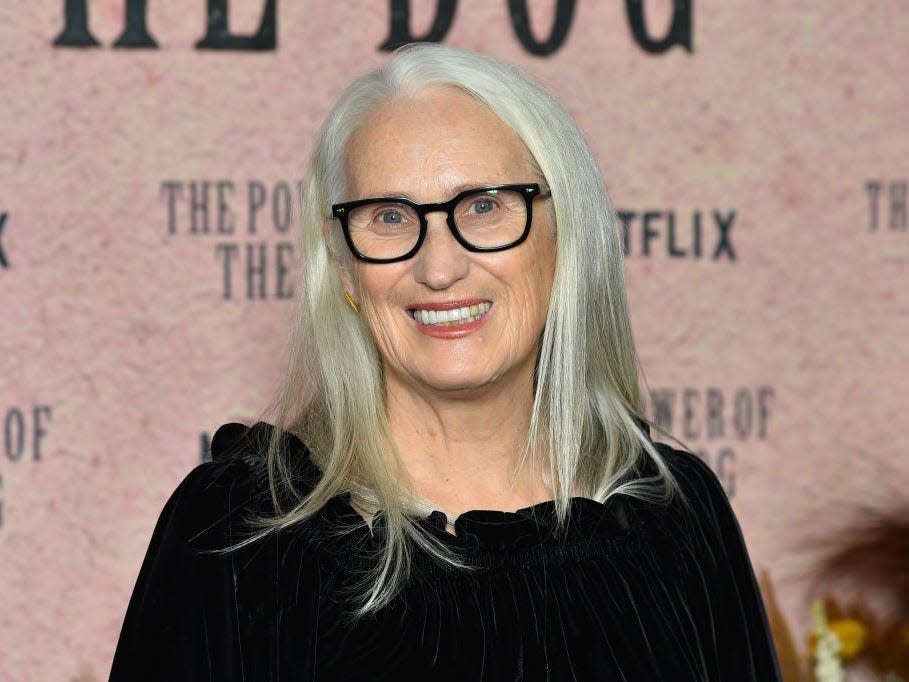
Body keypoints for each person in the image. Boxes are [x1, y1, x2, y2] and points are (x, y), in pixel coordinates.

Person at [110, 44, 782, 681]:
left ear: (564, 234)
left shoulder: (676, 518)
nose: (438, 267)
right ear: (343, 264)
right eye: (390, 217)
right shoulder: (237, 536)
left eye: (484, 206)